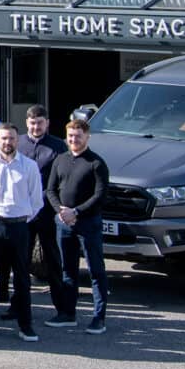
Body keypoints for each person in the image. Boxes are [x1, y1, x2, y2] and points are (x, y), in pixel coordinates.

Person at [46, 115, 111, 331]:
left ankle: (98, 317)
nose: (74, 139)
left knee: (95, 271)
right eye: (71, 136)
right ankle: (68, 313)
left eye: (78, 136)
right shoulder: (60, 159)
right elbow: (51, 190)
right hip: (64, 223)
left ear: (87, 137)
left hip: (88, 224)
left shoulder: (96, 163)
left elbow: (100, 196)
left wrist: (76, 211)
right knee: (68, 270)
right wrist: (61, 211)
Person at [0, 124, 46, 342]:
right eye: (3, 139)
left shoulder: (29, 166)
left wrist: (22, 219)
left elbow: (37, 201)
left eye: (11, 138)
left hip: (20, 226)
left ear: (17, 141)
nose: (7, 143)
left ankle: (25, 325)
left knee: (22, 278)